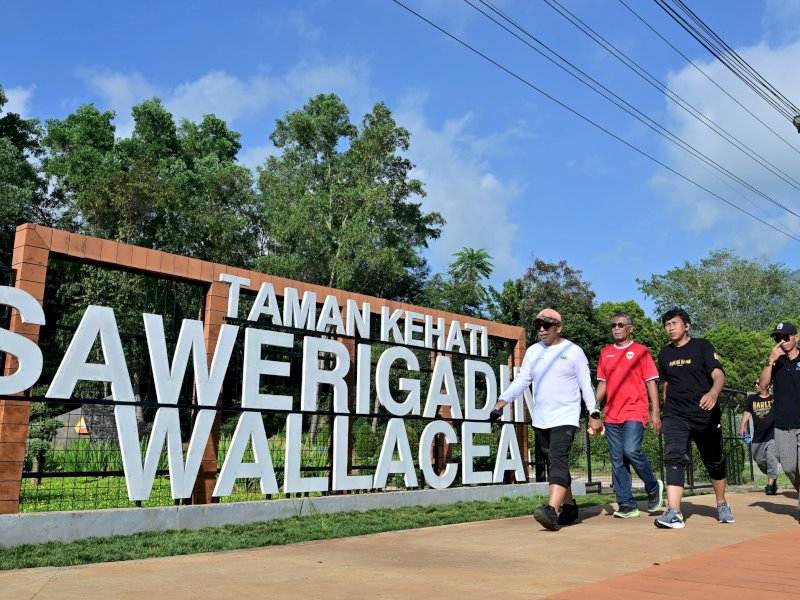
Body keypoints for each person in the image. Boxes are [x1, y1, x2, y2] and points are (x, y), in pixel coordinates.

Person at [490, 308, 602, 531]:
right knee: (556, 463)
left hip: (566, 416)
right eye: (538, 326)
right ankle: (570, 507)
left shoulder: (574, 351)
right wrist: (503, 401)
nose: (541, 329)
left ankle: (551, 510)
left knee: (558, 459)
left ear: (558, 327)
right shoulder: (533, 351)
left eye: (546, 325)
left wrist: (594, 413)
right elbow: (522, 379)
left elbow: (585, 384)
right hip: (541, 419)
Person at [654, 307, 734, 529]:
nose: (670, 328)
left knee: (714, 461)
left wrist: (713, 393)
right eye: (667, 325)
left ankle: (722, 503)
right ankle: (674, 512)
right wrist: (663, 409)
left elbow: (719, 375)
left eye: (674, 323)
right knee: (674, 456)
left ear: (687, 326)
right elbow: (666, 383)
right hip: (675, 414)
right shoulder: (664, 353)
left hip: (705, 414)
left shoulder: (702, 346)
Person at [596, 312, 664, 519]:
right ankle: (626, 504)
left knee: (631, 450)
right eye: (613, 325)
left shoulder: (641, 351)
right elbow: (603, 384)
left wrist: (655, 412)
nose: (616, 328)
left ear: (630, 328)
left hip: (635, 411)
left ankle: (653, 486)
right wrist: (593, 409)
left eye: (620, 324)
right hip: (611, 415)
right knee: (617, 459)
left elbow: (651, 382)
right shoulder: (605, 353)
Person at [758, 321, 800, 512]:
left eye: (786, 337)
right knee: (789, 468)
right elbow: (763, 386)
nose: (782, 341)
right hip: (783, 424)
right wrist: (770, 360)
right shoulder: (776, 363)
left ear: (796, 337)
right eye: (778, 338)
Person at [739, 380, 777, 495]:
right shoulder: (752, 399)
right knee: (758, 459)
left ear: (768, 385)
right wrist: (743, 425)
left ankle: (770, 485)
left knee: (771, 459)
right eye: (755, 383)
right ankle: (772, 476)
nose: (756, 385)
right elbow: (747, 413)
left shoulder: (774, 399)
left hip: (773, 435)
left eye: (758, 383)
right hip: (758, 437)